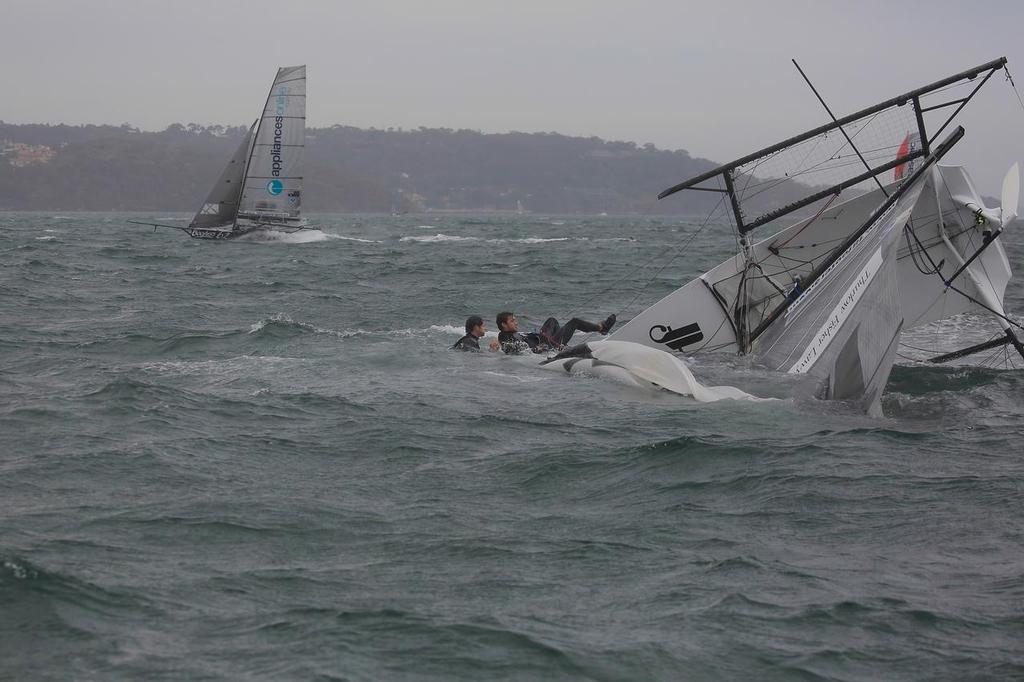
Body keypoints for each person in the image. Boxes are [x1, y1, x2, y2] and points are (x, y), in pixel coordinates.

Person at [496, 311, 616, 355]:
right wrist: (538, 348)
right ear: (503, 325)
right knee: (574, 322)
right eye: (512, 321)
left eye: (515, 320)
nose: (516, 323)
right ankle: (602, 328)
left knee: (552, 320)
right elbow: (513, 349)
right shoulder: (503, 336)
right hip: (545, 347)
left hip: (545, 342)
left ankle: (561, 345)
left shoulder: (514, 333)